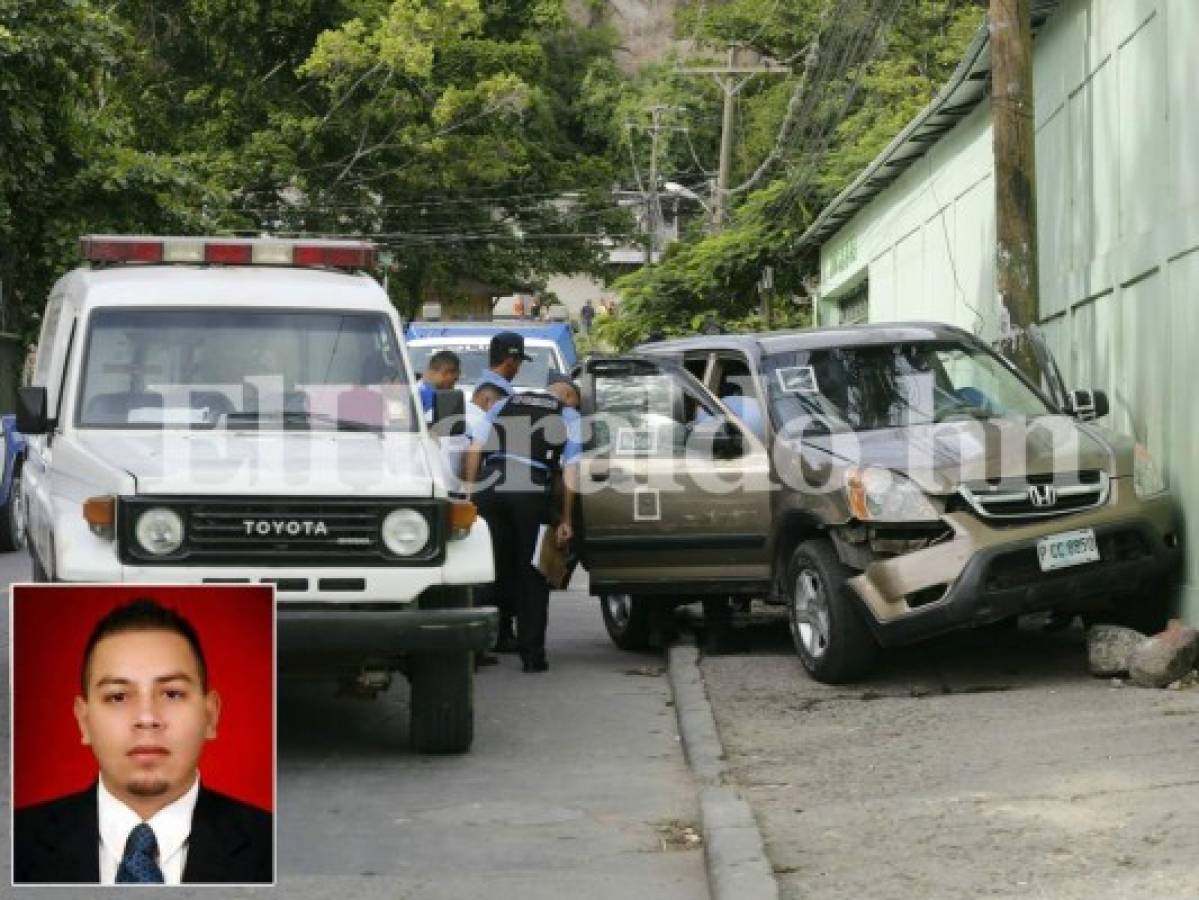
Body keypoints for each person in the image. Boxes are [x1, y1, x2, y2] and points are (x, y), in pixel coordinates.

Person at [13, 598, 273, 885]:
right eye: (118, 696)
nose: (147, 718)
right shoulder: (16, 842)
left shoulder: (273, 844)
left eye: (172, 694)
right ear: (84, 721)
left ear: (210, 716)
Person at [463, 380, 578, 673]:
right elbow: (572, 471)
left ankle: (471, 653)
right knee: (532, 574)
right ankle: (532, 656)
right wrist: (566, 519)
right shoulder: (567, 415)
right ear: (565, 395)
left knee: (486, 568)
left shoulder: (505, 403)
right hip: (529, 489)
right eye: (575, 398)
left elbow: (475, 448)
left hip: (491, 484)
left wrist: (469, 494)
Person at [415, 350, 461, 419]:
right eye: (454, 380)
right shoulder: (422, 395)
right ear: (446, 373)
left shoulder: (417, 389)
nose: (453, 386)